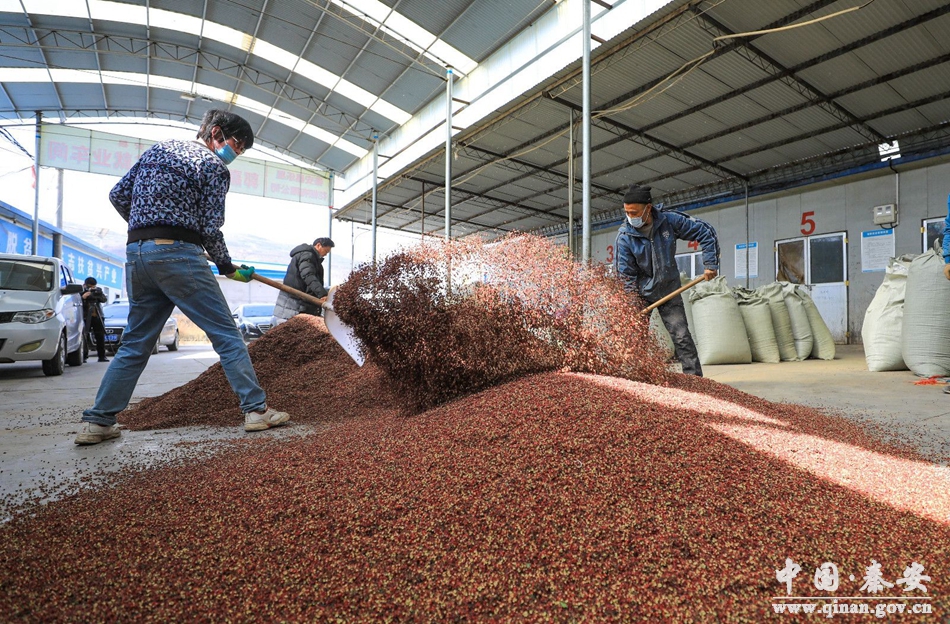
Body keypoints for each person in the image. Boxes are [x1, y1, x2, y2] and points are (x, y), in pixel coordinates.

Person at [74, 109, 290, 445]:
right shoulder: (213, 165)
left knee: (135, 343)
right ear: (215, 133)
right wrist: (227, 266)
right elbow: (210, 227)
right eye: (237, 144)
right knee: (227, 335)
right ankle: (256, 410)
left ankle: (98, 422)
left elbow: (117, 195)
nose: (237, 152)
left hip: (137, 254)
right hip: (178, 255)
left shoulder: (158, 150)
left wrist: (149, 225)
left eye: (243, 150)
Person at [614, 183, 720, 377]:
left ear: (648, 208)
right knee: (635, 340)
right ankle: (636, 380)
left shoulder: (668, 221)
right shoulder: (625, 237)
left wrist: (710, 263)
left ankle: (695, 380)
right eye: (627, 212)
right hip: (639, 294)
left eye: (634, 212)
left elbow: (705, 231)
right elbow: (625, 275)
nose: (630, 217)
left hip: (669, 289)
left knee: (681, 336)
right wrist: (631, 305)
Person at [272, 237, 334, 323]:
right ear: (318, 245)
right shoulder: (307, 255)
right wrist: (322, 294)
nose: (326, 254)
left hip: (298, 303)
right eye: (326, 251)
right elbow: (308, 275)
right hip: (295, 303)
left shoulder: (313, 258)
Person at [81, 277, 109, 363]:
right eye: (90, 287)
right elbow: (77, 303)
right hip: (85, 316)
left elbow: (104, 300)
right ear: (85, 285)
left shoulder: (98, 291)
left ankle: (102, 356)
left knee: (100, 336)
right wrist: (83, 297)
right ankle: (84, 356)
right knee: (84, 336)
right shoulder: (81, 291)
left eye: (93, 287)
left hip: (97, 316)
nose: (91, 289)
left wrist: (98, 294)